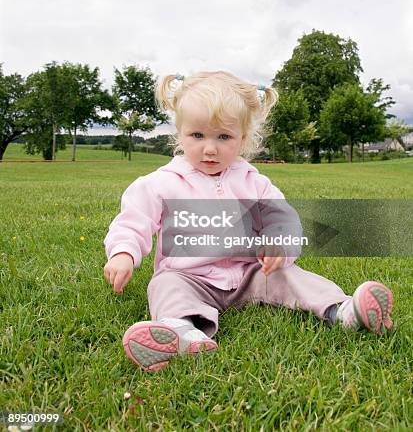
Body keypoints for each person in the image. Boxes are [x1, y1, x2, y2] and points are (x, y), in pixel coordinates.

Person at [103, 71, 393, 372]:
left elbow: (282, 218)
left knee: (291, 275)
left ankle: (342, 310)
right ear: (180, 134)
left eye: (223, 137)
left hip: (249, 273)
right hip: (190, 277)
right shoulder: (160, 184)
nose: (210, 148)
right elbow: (133, 220)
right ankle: (181, 330)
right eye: (197, 135)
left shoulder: (254, 183)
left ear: (242, 139)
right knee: (166, 284)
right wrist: (124, 252)